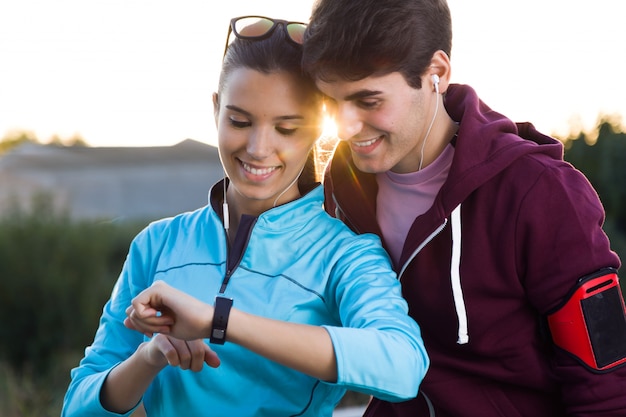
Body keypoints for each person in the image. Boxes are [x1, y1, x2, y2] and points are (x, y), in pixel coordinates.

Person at [61, 15, 429, 417]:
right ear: (216, 108)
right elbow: (78, 406)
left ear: (317, 129)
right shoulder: (156, 243)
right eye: (239, 121)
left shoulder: (346, 254)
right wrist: (150, 357)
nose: (258, 147)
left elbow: (402, 366)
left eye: (287, 128)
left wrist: (218, 321)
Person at [301, 0, 626, 416]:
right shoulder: (341, 186)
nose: (344, 126)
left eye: (368, 101)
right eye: (331, 101)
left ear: (436, 73)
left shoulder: (540, 192)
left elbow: (605, 382)